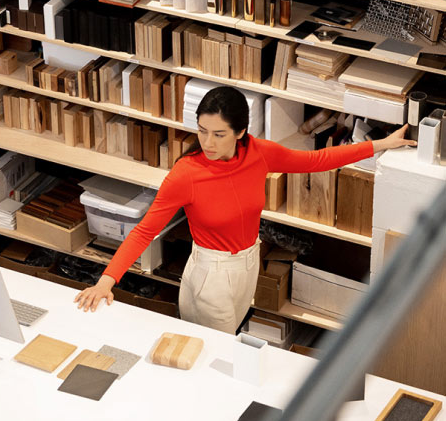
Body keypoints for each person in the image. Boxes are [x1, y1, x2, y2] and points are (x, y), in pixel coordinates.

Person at [74, 87, 417, 333]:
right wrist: (107, 281)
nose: (207, 143)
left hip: (248, 264)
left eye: (219, 134)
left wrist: (381, 144)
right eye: (202, 131)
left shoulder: (259, 153)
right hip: (211, 275)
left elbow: (317, 160)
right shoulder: (187, 174)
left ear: (240, 132)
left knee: (230, 340)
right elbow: (144, 230)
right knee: (214, 358)